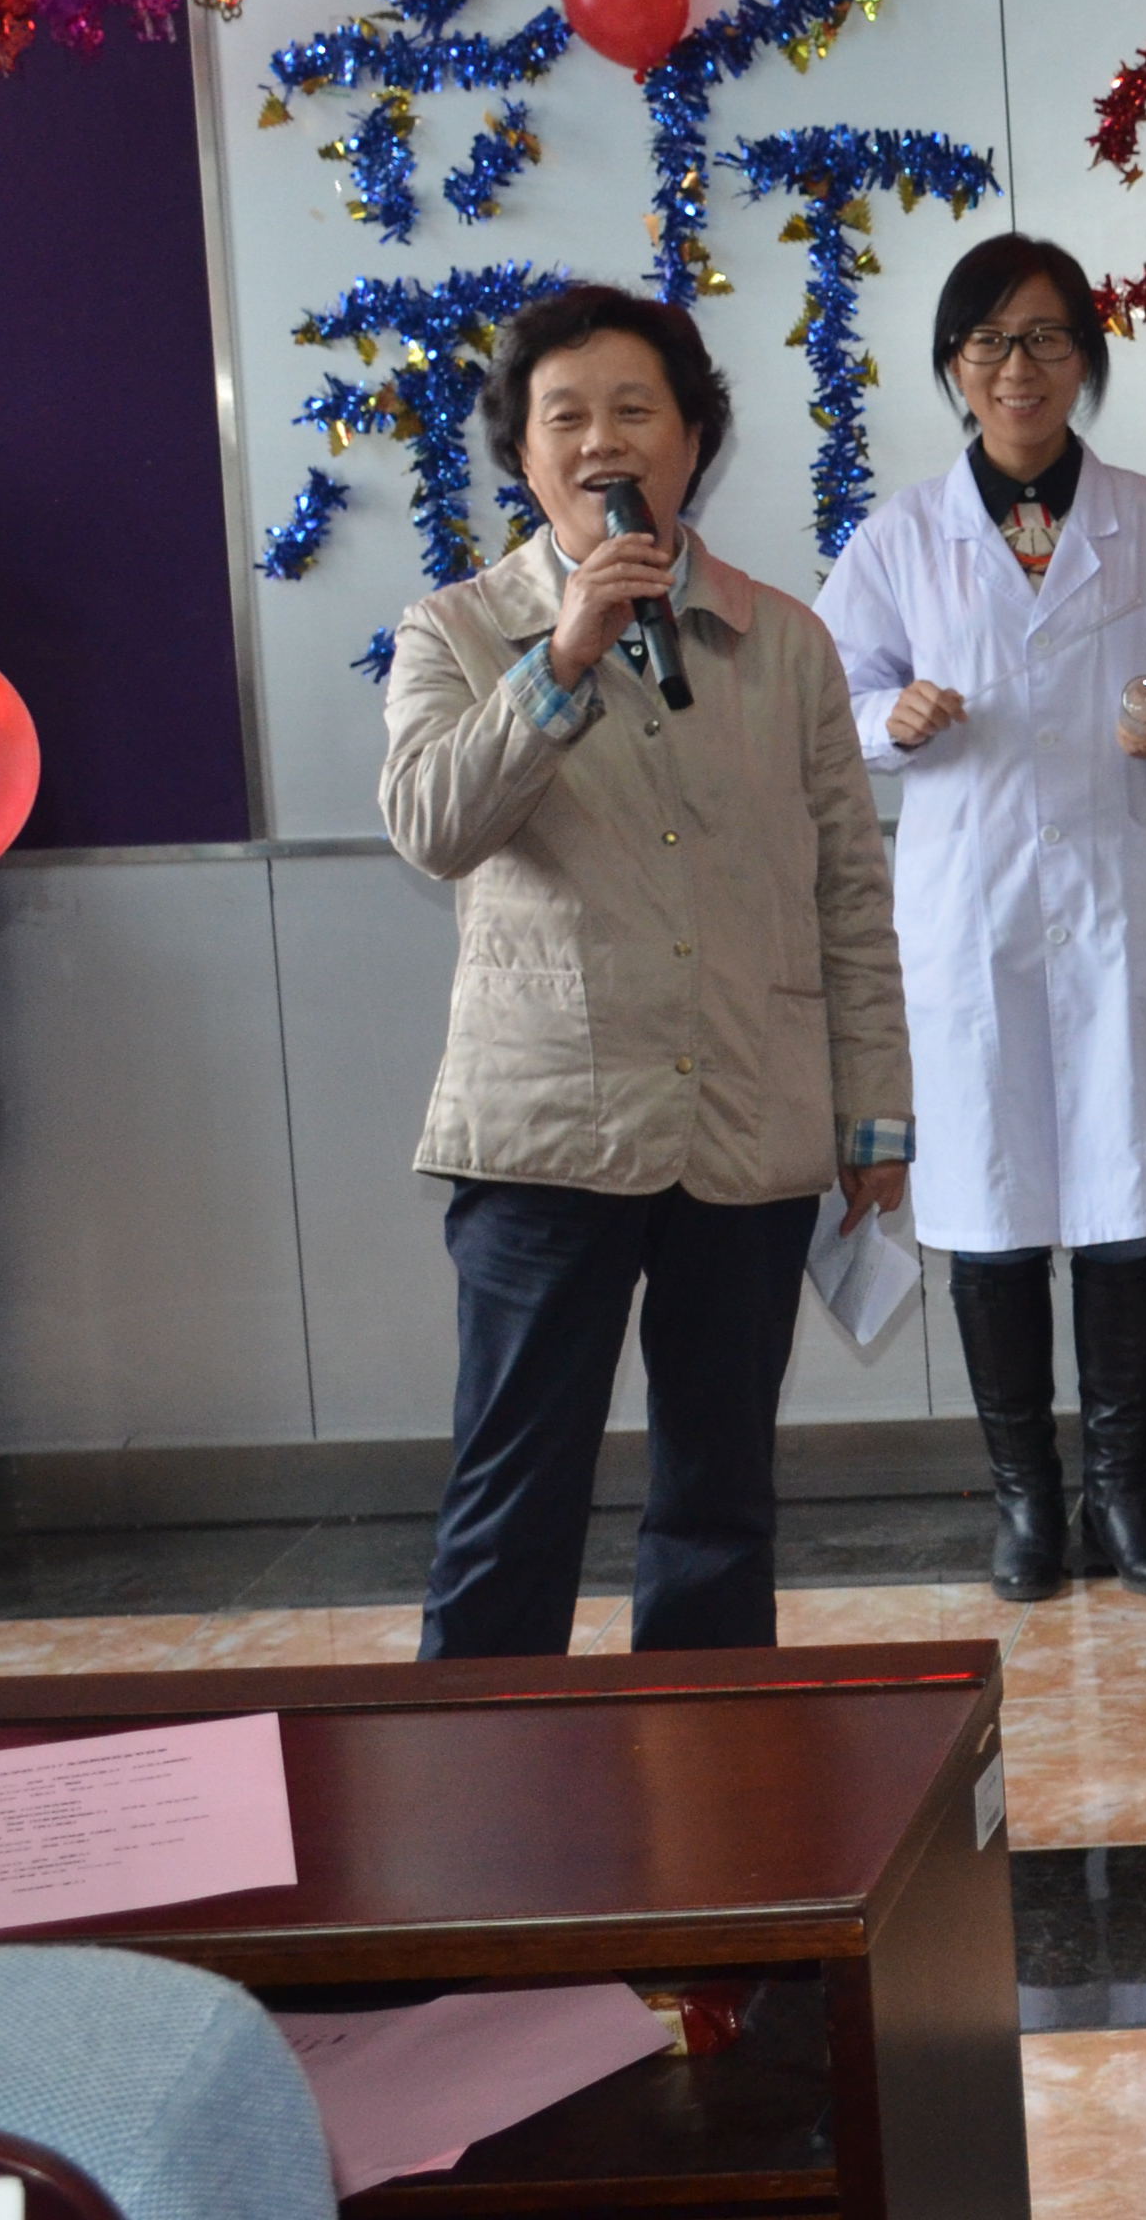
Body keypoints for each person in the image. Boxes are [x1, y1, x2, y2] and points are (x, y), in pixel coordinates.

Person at [377, 284, 911, 1658]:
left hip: (744, 1118)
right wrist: (563, 657)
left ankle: (709, 1762)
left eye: (634, 410)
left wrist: (871, 1111)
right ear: (523, 452)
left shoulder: (783, 640)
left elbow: (849, 890)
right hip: (547, 1132)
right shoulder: (455, 632)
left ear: (692, 441)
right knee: (514, 1499)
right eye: (566, 416)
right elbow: (433, 826)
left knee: (720, 1501)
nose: (602, 441)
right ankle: (486, 1774)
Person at [822, 232, 1146, 1603]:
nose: (1020, 368)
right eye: (990, 342)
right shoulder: (901, 535)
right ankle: (1023, 1503)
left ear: (1086, 359)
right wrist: (889, 719)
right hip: (972, 916)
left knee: (1128, 1203)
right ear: (955, 366)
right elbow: (822, 705)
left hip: (1121, 902)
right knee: (991, 1204)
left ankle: (1124, 1496)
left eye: (1049, 339)